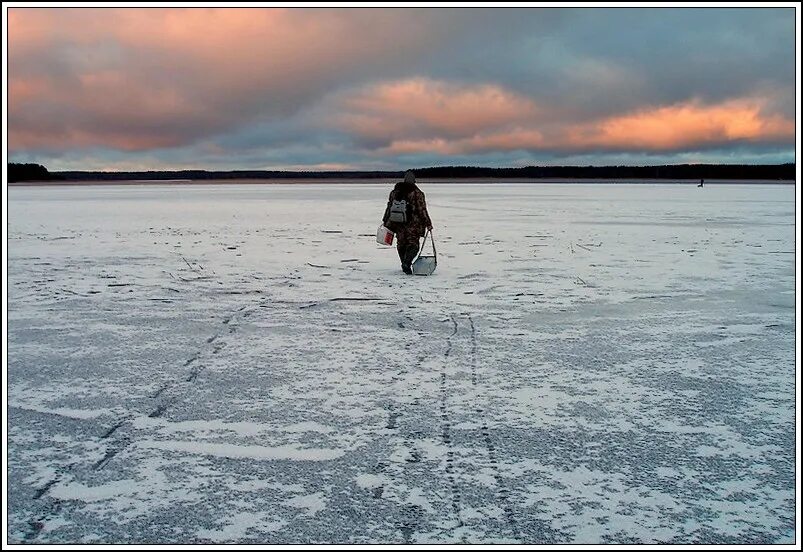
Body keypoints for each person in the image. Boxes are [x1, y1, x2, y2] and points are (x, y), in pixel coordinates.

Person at [382, 170, 433, 274]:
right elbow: (421, 210)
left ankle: (404, 263)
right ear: (414, 181)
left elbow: (389, 206)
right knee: (413, 244)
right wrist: (428, 223)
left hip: (398, 223)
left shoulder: (395, 192)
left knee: (401, 244)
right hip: (413, 223)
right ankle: (406, 263)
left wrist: (385, 220)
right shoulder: (417, 193)